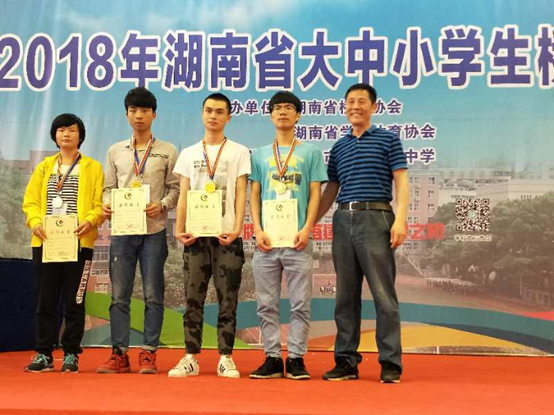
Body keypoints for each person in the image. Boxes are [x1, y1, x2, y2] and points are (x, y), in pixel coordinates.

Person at [318, 83, 409, 383]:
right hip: (343, 218)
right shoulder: (339, 147)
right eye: (350, 102)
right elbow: (331, 190)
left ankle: (390, 363)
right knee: (345, 296)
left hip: (377, 217)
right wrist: (310, 222)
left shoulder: (388, 140)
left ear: (374, 107)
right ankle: (346, 362)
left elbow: (402, 182)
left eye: (361, 101)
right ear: (344, 107)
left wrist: (400, 220)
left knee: (383, 295)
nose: (355, 107)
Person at [97, 87, 179, 374]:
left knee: (153, 294)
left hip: (154, 231)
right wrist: (108, 204)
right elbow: (108, 188)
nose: (139, 115)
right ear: (127, 115)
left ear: (154, 115)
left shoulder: (168, 150)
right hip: (122, 231)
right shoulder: (115, 151)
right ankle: (119, 353)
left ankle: (149, 352)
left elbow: (176, 188)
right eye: (133, 110)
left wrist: (163, 205)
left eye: (144, 110)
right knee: (119, 295)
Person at [168, 93, 250, 378]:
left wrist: (237, 228)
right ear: (202, 114)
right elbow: (183, 194)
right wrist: (179, 228)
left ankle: (226, 357)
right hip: (195, 237)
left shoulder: (239, 152)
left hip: (226, 236)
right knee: (193, 297)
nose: (213, 116)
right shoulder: (189, 154)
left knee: (228, 298)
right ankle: (190, 356)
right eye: (208, 110)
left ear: (229, 117)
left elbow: (241, 192)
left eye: (219, 112)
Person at [249, 91, 328, 380]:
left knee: (300, 304)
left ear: (298, 115)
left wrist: (307, 228)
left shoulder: (311, 153)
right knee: (266, 304)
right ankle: (271, 357)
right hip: (267, 242)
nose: (283, 112)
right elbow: (254, 194)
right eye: (277, 108)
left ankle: (295, 358)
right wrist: (257, 229)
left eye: (289, 108)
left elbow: (315, 193)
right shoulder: (259, 154)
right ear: (270, 115)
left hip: (298, 240)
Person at [22, 113, 105, 373]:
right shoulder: (44, 167)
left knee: (74, 300)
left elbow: (100, 205)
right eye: (61, 130)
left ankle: (71, 353)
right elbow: (31, 202)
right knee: (46, 300)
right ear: (54, 135)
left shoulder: (93, 167)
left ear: (81, 136)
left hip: (79, 244)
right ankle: (43, 353)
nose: (66, 134)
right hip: (46, 243)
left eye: (71, 130)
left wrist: (90, 221)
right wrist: (35, 222)